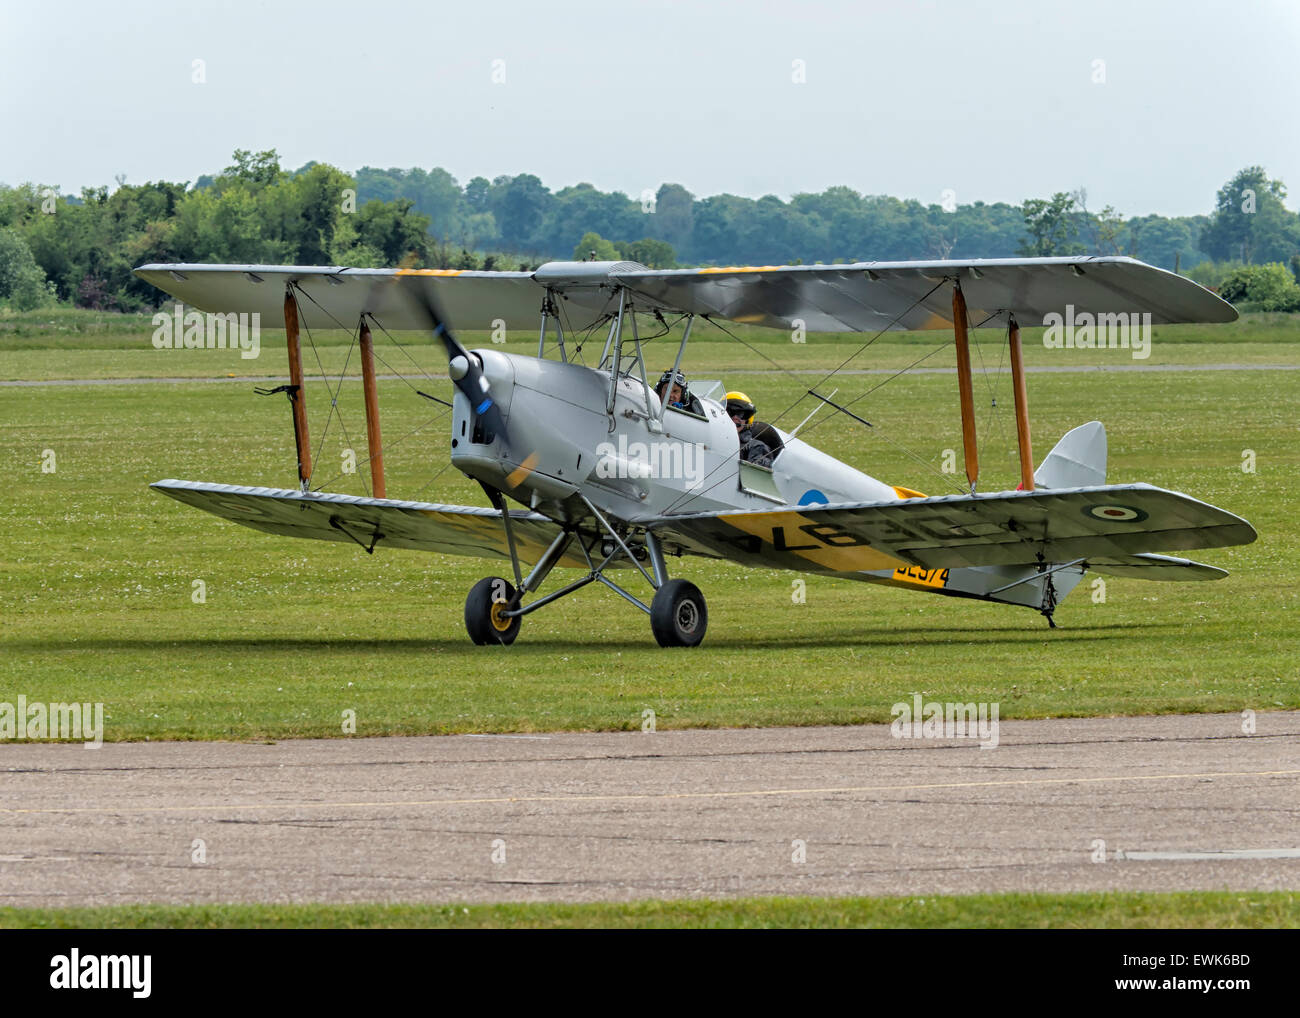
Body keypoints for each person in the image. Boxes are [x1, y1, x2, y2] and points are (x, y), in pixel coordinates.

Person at [726, 391, 775, 468]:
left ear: (747, 420)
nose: (735, 418)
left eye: (741, 414)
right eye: (730, 412)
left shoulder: (757, 447)